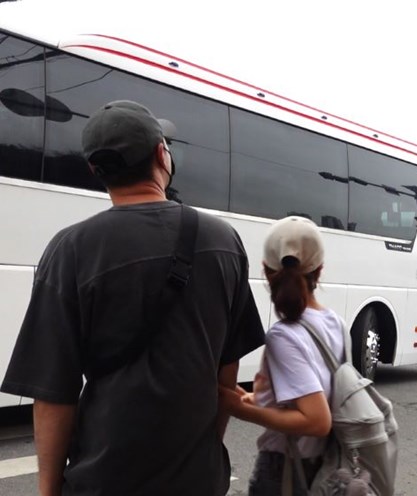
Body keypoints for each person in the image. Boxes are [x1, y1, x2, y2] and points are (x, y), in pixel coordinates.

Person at [0, 100, 265, 496]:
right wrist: (203, 449)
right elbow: (227, 367)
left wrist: (49, 490)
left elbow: (53, 394)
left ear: (96, 170)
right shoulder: (224, 241)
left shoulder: (70, 249)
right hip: (197, 480)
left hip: (104, 481)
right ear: (162, 154)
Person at [219, 215, 347, 495]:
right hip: (327, 465)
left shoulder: (283, 336)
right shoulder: (335, 323)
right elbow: (324, 391)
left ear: (266, 271)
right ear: (320, 270)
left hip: (287, 472)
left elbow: (316, 420)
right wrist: (259, 398)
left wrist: (242, 409)